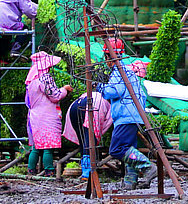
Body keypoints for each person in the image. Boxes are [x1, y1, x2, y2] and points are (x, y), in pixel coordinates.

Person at [101, 38, 157, 190]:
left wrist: (100, 88)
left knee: (117, 149)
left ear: (108, 57)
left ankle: (147, 167)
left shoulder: (118, 71)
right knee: (128, 149)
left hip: (126, 116)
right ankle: (130, 181)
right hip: (134, 115)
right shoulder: (127, 71)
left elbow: (115, 91)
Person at [25, 51, 72, 176]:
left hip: (34, 116)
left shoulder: (31, 81)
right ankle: (49, 171)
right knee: (48, 146)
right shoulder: (45, 77)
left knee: (36, 146)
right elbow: (55, 96)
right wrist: (65, 89)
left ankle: (31, 170)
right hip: (47, 115)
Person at [63, 91, 113, 180]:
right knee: (90, 138)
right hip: (92, 105)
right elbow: (106, 123)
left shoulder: (94, 94)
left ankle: (85, 168)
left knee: (82, 139)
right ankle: (87, 172)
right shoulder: (107, 102)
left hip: (74, 106)